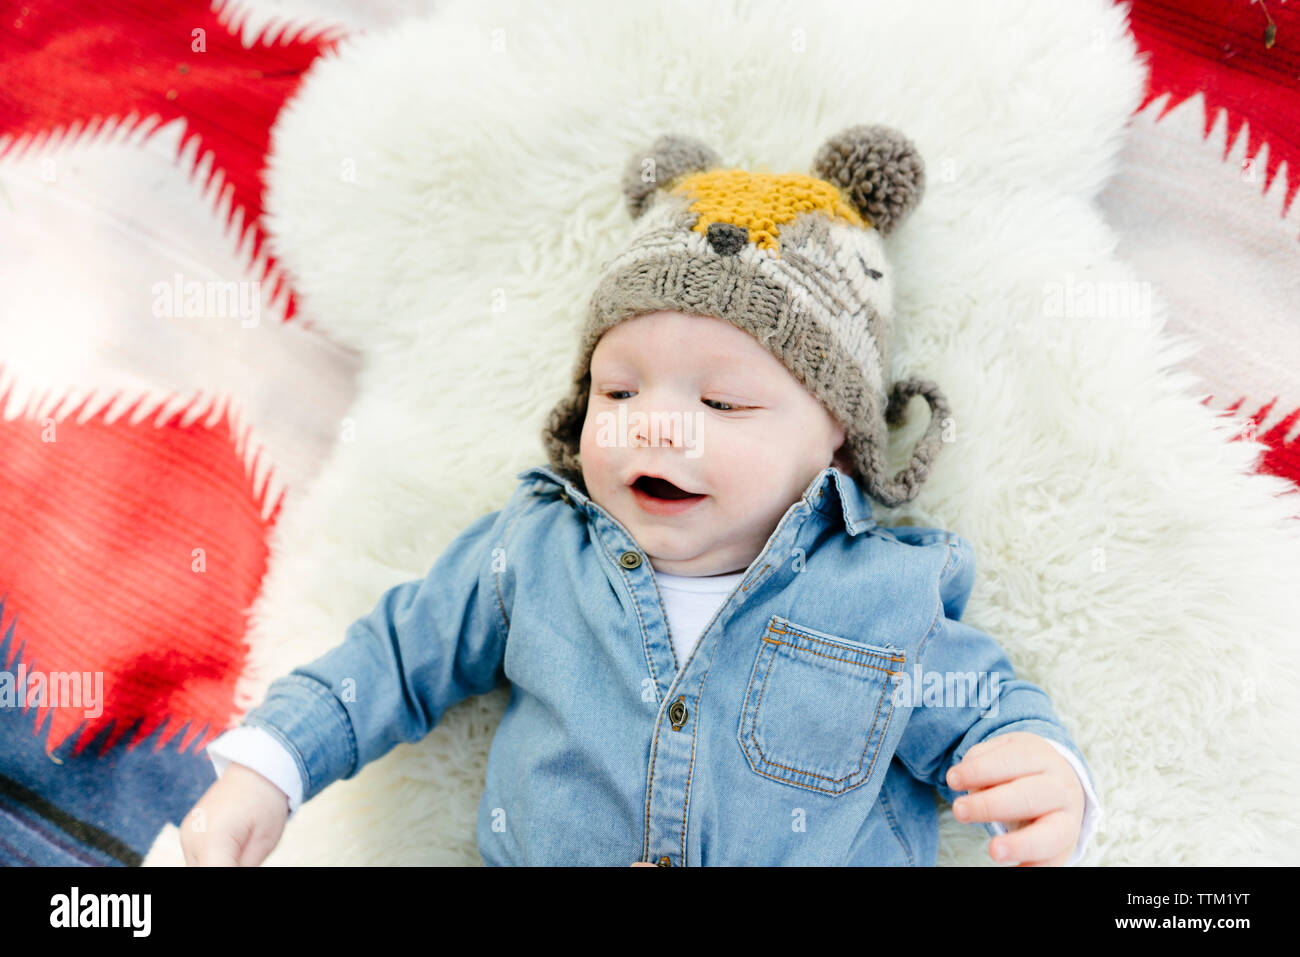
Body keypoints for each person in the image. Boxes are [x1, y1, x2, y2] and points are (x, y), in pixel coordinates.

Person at [181, 124, 1101, 866]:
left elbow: (982, 704)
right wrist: (270, 767)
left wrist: (1046, 769)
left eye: (723, 401)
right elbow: (390, 658)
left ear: (838, 444)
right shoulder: (536, 552)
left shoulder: (879, 596)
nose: (656, 426)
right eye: (618, 391)